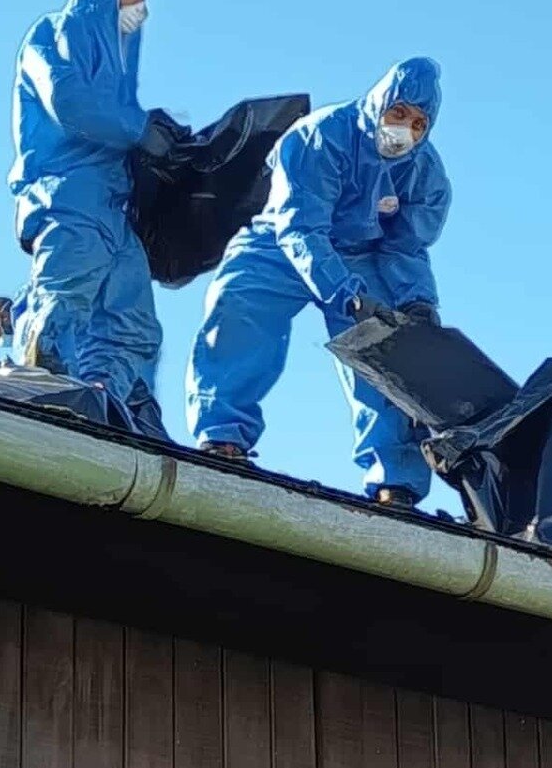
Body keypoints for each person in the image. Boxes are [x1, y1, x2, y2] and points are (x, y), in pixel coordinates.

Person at [185, 57, 450, 507]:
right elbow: (301, 228)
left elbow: (405, 247)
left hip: (363, 255)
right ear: (379, 103)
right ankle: (222, 437)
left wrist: (417, 301)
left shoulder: (425, 174)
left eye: (419, 124)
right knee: (239, 309)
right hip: (280, 241)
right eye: (399, 112)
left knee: (387, 350)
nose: (404, 129)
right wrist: (344, 292)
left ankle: (396, 481)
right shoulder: (320, 135)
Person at [8, 0, 177, 437]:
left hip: (112, 206)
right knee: (63, 298)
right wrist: (139, 128)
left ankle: (102, 401)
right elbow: (70, 102)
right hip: (69, 197)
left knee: (133, 322)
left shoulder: (120, 67)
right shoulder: (54, 34)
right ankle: (37, 388)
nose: (141, 4)